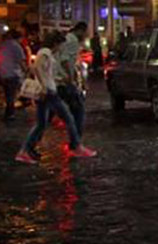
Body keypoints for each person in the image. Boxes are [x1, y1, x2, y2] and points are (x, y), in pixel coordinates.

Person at [15, 31, 96, 165]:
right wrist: (44, 86)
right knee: (68, 118)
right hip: (49, 92)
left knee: (41, 124)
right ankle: (76, 146)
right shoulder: (45, 53)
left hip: (47, 90)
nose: (60, 48)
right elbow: (38, 69)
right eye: (60, 44)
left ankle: (26, 150)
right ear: (55, 43)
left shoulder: (45, 53)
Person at [57, 22, 88, 138]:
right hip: (64, 81)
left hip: (60, 80)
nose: (86, 35)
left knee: (45, 118)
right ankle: (76, 141)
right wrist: (71, 79)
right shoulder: (73, 40)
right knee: (78, 111)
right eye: (85, 33)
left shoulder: (68, 39)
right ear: (81, 30)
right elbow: (66, 61)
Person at [0, 29, 27, 122]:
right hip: (12, 74)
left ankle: (8, 112)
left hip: (2, 73)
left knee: (7, 94)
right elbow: (21, 61)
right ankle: (10, 114)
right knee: (11, 95)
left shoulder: (3, 44)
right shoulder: (16, 46)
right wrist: (26, 70)